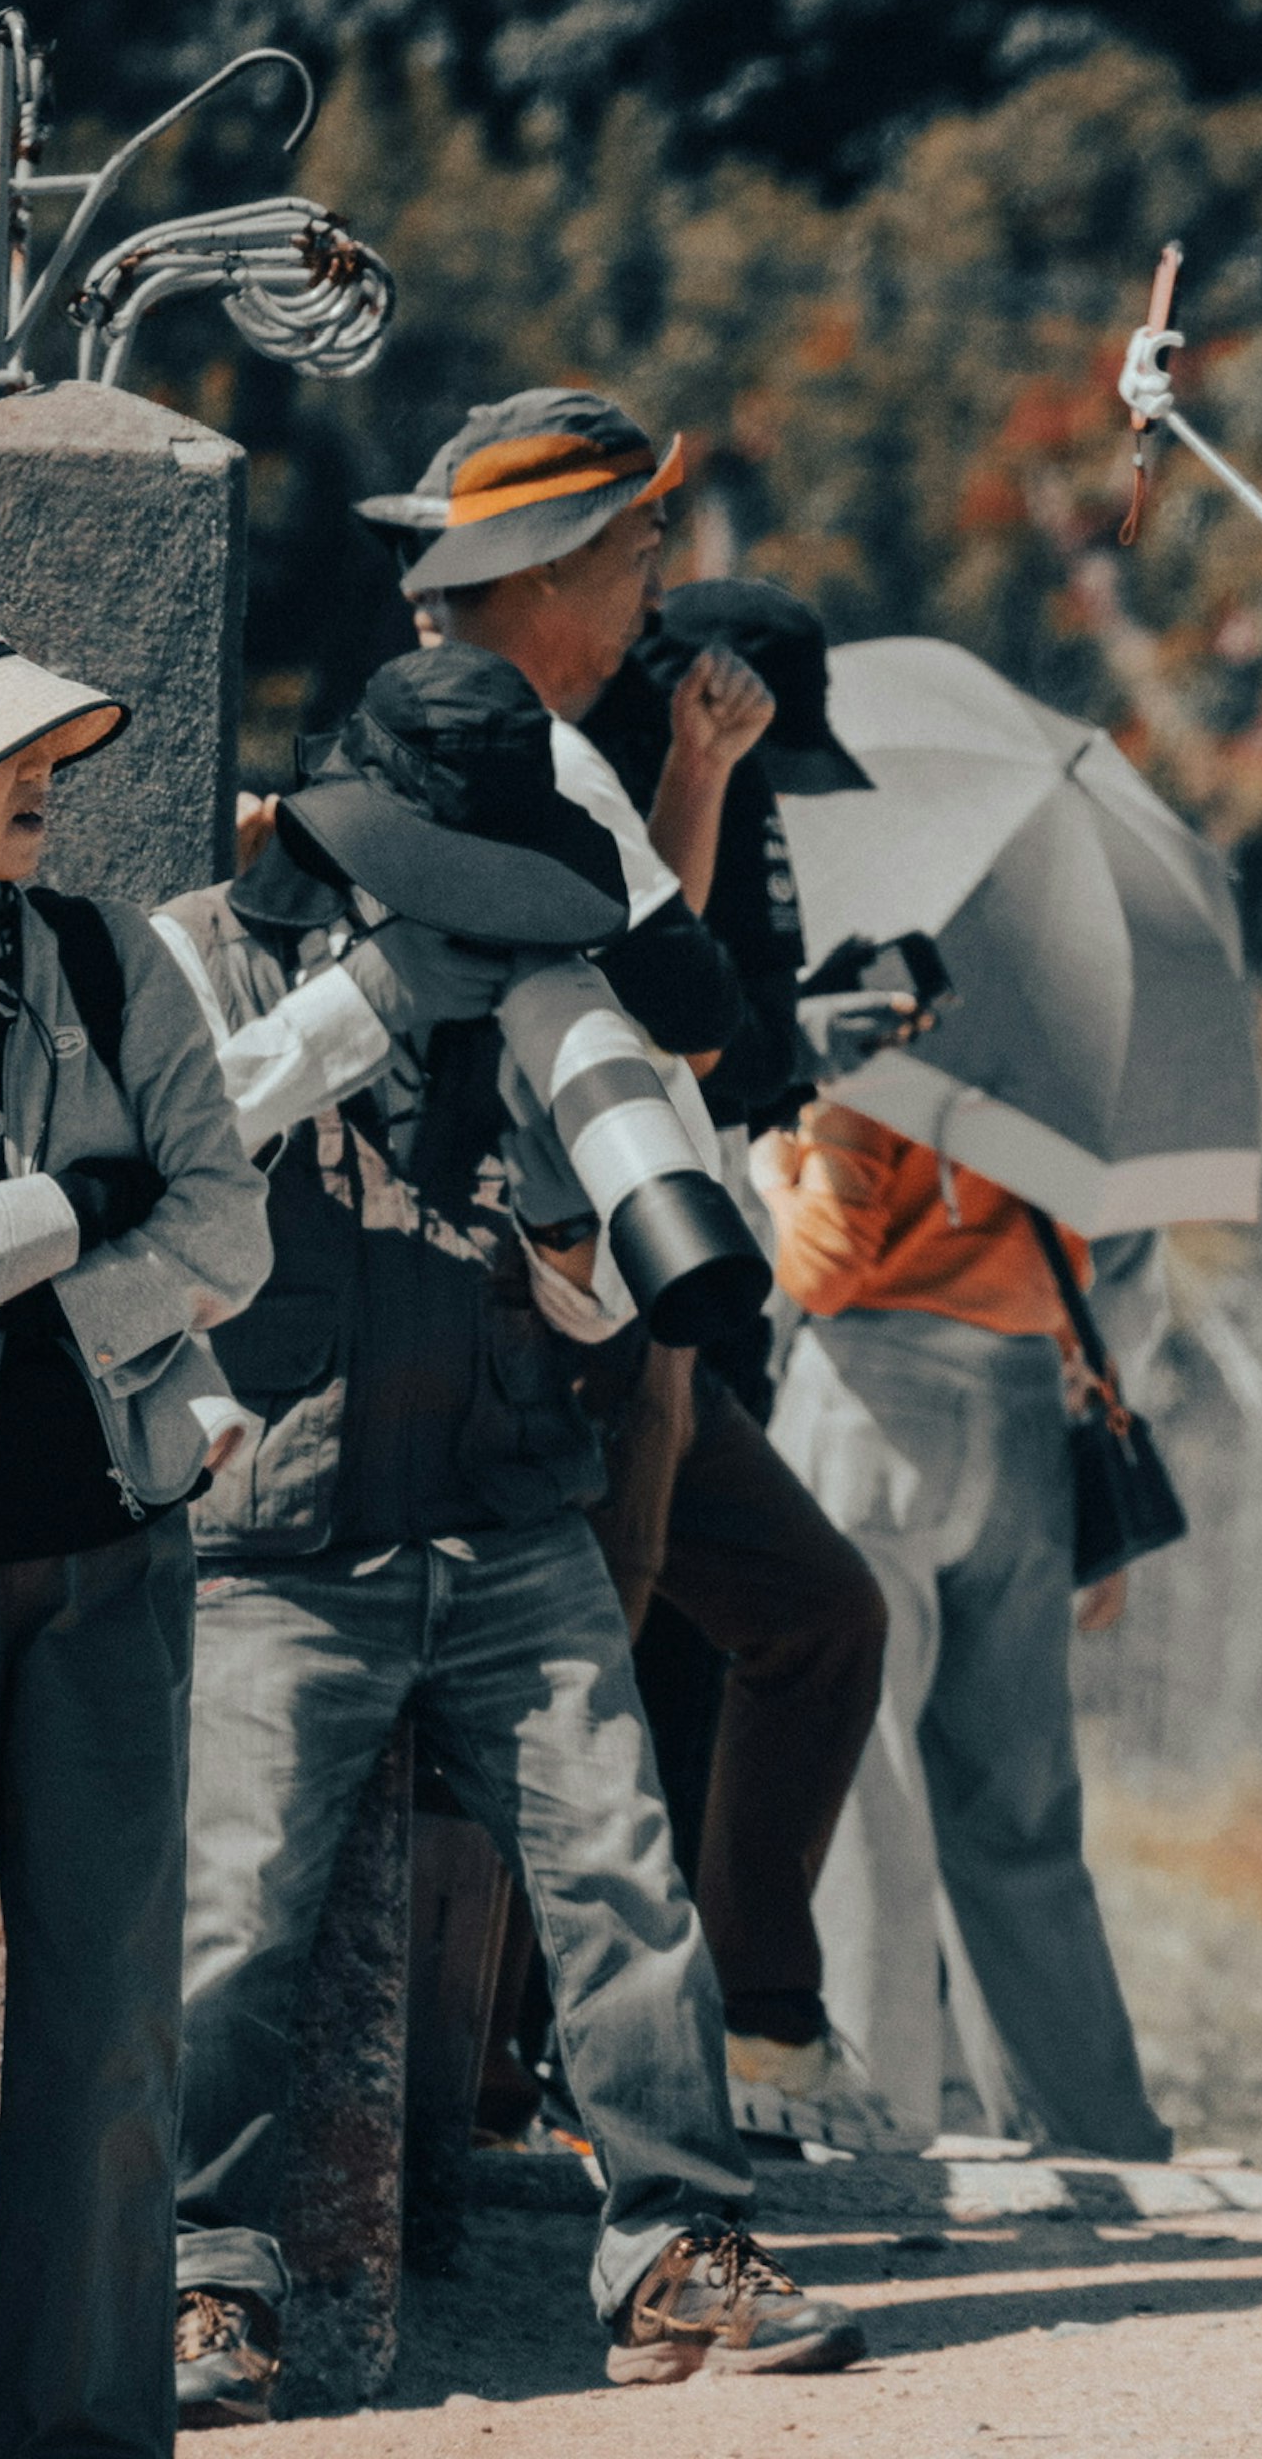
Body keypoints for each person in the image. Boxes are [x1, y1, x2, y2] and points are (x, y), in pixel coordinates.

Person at [162, 645, 862, 2414]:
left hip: (503, 1514)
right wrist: (367, 1008)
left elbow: (590, 1321)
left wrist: (573, 1250)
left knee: (624, 1882)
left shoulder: (548, 995)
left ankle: (680, 2259)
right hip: (278, 1539)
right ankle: (194, 2283)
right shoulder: (201, 953)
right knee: (234, 1910)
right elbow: (158, 1166)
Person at [0, 588, 272, 2458]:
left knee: (111, 2027)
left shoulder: (115, 958)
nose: (44, 780)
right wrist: (76, 1218)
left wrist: (24, 1279)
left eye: (39, 746)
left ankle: (86, 2431)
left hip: (115, 1554)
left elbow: (230, 1233)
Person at [532, 571, 919, 2141]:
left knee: (734, 1643)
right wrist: (692, 774)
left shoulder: (705, 776)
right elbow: (674, 1009)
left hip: (689, 1275)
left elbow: (726, 1020)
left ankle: (732, 2027)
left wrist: (810, 1035)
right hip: (603, 1282)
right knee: (629, 1667)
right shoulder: (611, 767)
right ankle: (676, 2047)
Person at [755, 1099, 1179, 2154]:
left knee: (866, 1783)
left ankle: (879, 2112)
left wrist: (772, 1172)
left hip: (871, 1412)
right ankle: (1096, 2126)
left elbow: (823, 1268)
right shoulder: (1063, 1066)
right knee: (1020, 1809)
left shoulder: (874, 1063)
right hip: (1025, 1405)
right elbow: (1124, 1269)